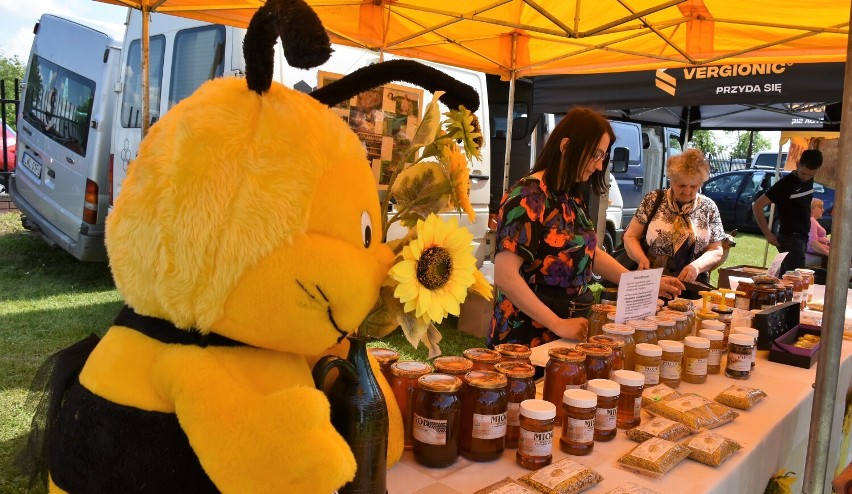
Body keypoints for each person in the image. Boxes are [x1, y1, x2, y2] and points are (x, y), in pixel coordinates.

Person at [488, 108, 684, 348]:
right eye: (596, 154)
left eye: (603, 156)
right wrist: (557, 323)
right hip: (526, 334)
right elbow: (505, 276)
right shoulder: (528, 196)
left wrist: (641, 285)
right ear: (566, 146)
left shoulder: (571, 197)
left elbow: (589, 253)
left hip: (566, 327)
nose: (600, 166)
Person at [622, 149, 725, 294]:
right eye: (681, 185)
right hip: (652, 279)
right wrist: (641, 259)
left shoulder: (708, 207)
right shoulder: (653, 200)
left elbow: (716, 249)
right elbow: (630, 236)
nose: (687, 192)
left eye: (694, 186)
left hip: (692, 283)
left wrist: (696, 267)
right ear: (671, 181)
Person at [753, 149, 823, 274]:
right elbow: (757, 206)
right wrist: (767, 233)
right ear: (797, 164)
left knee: (787, 279)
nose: (806, 178)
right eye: (803, 173)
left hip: (801, 238)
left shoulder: (808, 179)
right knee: (795, 280)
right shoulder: (785, 185)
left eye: (811, 175)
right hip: (790, 238)